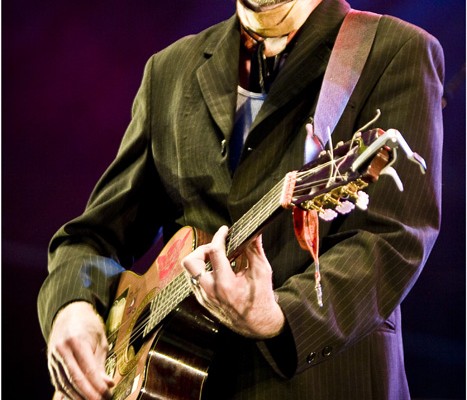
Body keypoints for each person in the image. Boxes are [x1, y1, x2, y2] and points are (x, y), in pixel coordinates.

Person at [38, 0, 444, 399]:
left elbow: (392, 237)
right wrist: (71, 308)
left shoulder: (394, 49)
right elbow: (93, 237)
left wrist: (279, 316)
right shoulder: (170, 69)